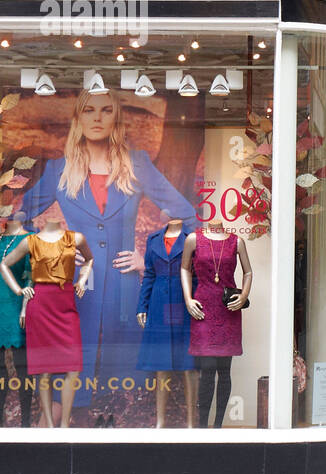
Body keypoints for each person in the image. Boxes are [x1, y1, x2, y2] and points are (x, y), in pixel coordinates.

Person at [20, 89, 196, 415]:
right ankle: (61, 430)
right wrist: (49, 251)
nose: (97, 118)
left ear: (116, 117)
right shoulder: (59, 168)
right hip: (73, 287)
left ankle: (120, 430)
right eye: (88, 110)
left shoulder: (137, 164)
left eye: (105, 110)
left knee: (124, 378)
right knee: (71, 363)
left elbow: (186, 216)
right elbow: (18, 216)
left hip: (123, 284)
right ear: (78, 118)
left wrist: (151, 260)